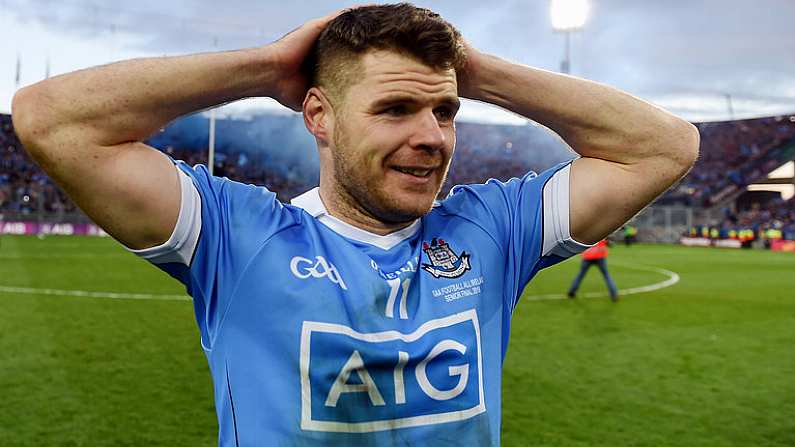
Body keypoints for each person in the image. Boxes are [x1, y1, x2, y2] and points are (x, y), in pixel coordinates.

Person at [11, 3, 699, 445]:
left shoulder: (492, 229)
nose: (432, 136)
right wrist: (266, 64)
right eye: (395, 108)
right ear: (318, 116)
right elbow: (50, 118)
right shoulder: (236, 237)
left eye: (446, 111)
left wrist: (477, 72)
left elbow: (665, 146)